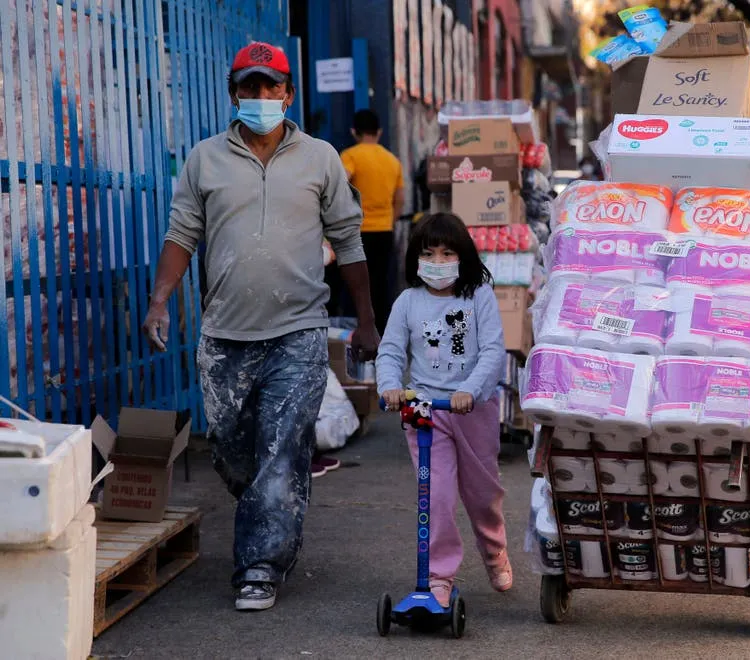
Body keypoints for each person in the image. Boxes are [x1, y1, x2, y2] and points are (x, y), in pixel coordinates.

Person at [142, 42, 379, 612]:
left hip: (298, 328)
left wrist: (368, 320)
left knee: (281, 446)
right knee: (231, 448)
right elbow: (181, 234)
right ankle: (270, 510)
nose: (262, 96)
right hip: (225, 333)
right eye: (250, 87)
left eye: (272, 86)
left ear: (289, 94)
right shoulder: (204, 159)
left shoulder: (321, 157)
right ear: (235, 94)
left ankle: (260, 564)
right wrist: (159, 302)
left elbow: (348, 239)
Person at [376, 213, 511, 608]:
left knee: (482, 494)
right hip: (423, 411)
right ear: (416, 259)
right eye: (429, 252)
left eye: (448, 252)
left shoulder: (478, 295)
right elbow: (391, 350)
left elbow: (492, 350)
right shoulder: (407, 302)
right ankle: (439, 576)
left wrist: (470, 389)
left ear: (462, 256)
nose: (438, 260)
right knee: (434, 496)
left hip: (474, 409)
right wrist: (389, 386)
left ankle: (493, 549)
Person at [341, 109, 405, 336]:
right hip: (384, 231)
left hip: (358, 233)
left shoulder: (350, 156)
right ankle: (383, 333)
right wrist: (390, 220)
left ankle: (357, 332)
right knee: (381, 284)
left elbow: (341, 184)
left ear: (353, 132)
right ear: (379, 132)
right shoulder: (393, 160)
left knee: (356, 285)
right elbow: (400, 200)